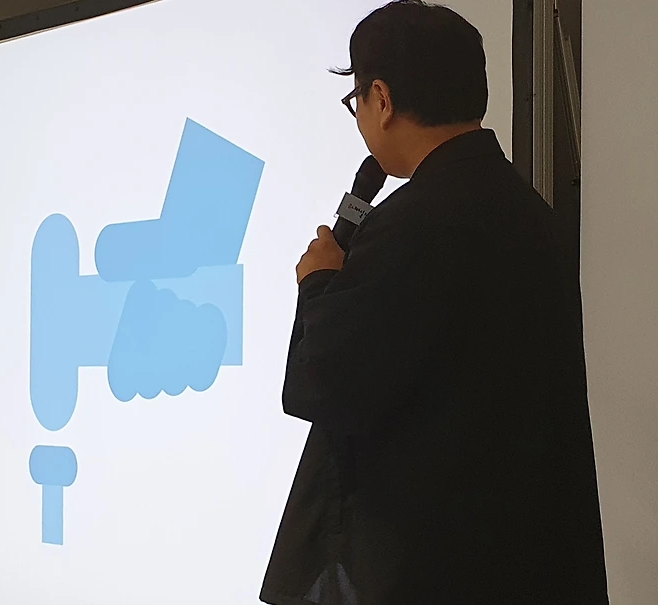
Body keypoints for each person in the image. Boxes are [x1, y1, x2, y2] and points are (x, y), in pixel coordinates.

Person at [258, 2, 609, 604]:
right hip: (524, 559)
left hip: (427, 565)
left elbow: (321, 386)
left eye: (356, 100)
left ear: (382, 99)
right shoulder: (532, 214)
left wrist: (318, 283)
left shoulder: (408, 225)